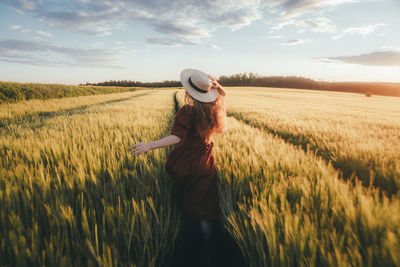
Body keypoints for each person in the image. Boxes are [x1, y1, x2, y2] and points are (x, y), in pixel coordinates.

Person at [129, 68, 230, 266]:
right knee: (207, 205)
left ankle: (194, 247)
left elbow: (177, 137)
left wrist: (149, 145)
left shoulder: (188, 112)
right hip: (207, 161)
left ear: (188, 92)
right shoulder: (214, 108)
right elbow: (224, 95)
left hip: (190, 162)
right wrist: (218, 86)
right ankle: (209, 245)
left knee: (192, 204)